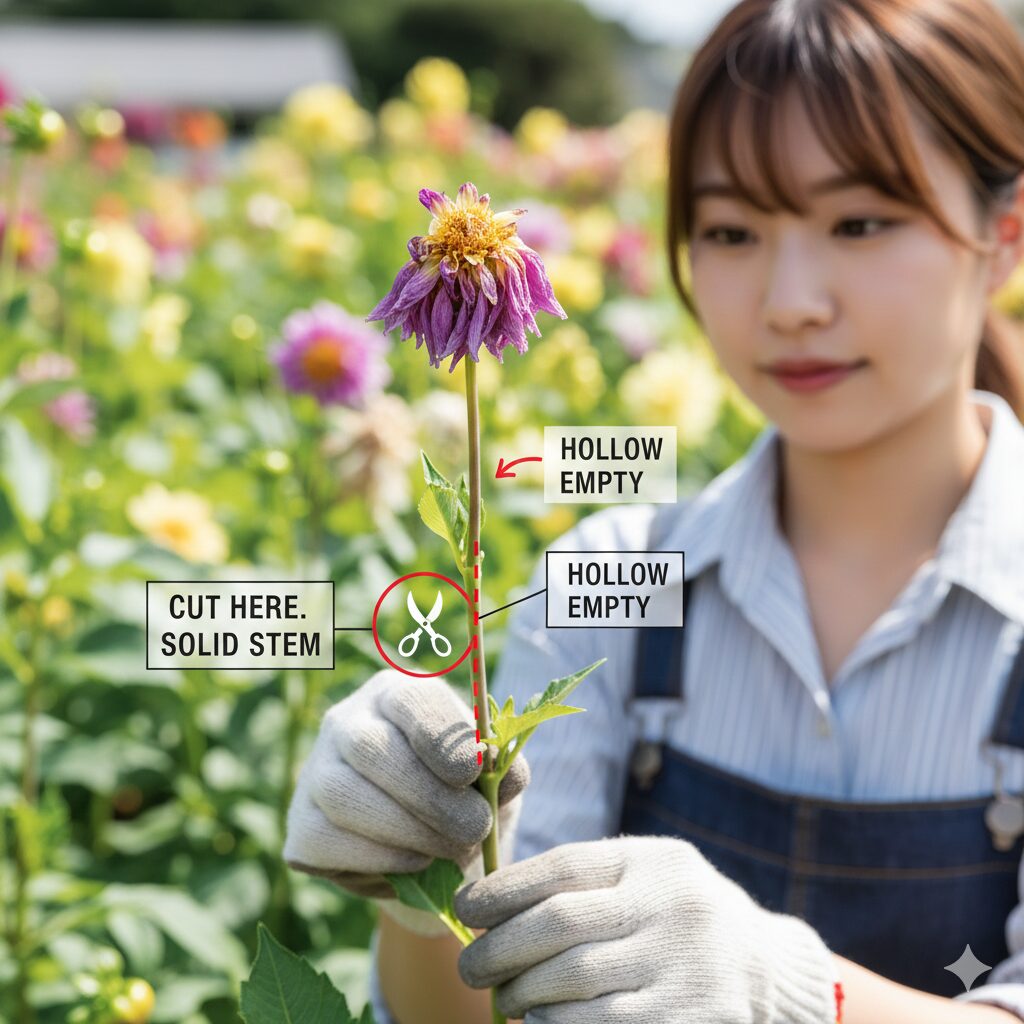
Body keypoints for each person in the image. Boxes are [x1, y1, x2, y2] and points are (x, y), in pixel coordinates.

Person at [282, 0, 1024, 1020]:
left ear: (1003, 237)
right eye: (730, 230)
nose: (790, 299)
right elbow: (468, 1004)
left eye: (859, 221)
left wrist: (789, 994)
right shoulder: (608, 579)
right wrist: (420, 877)